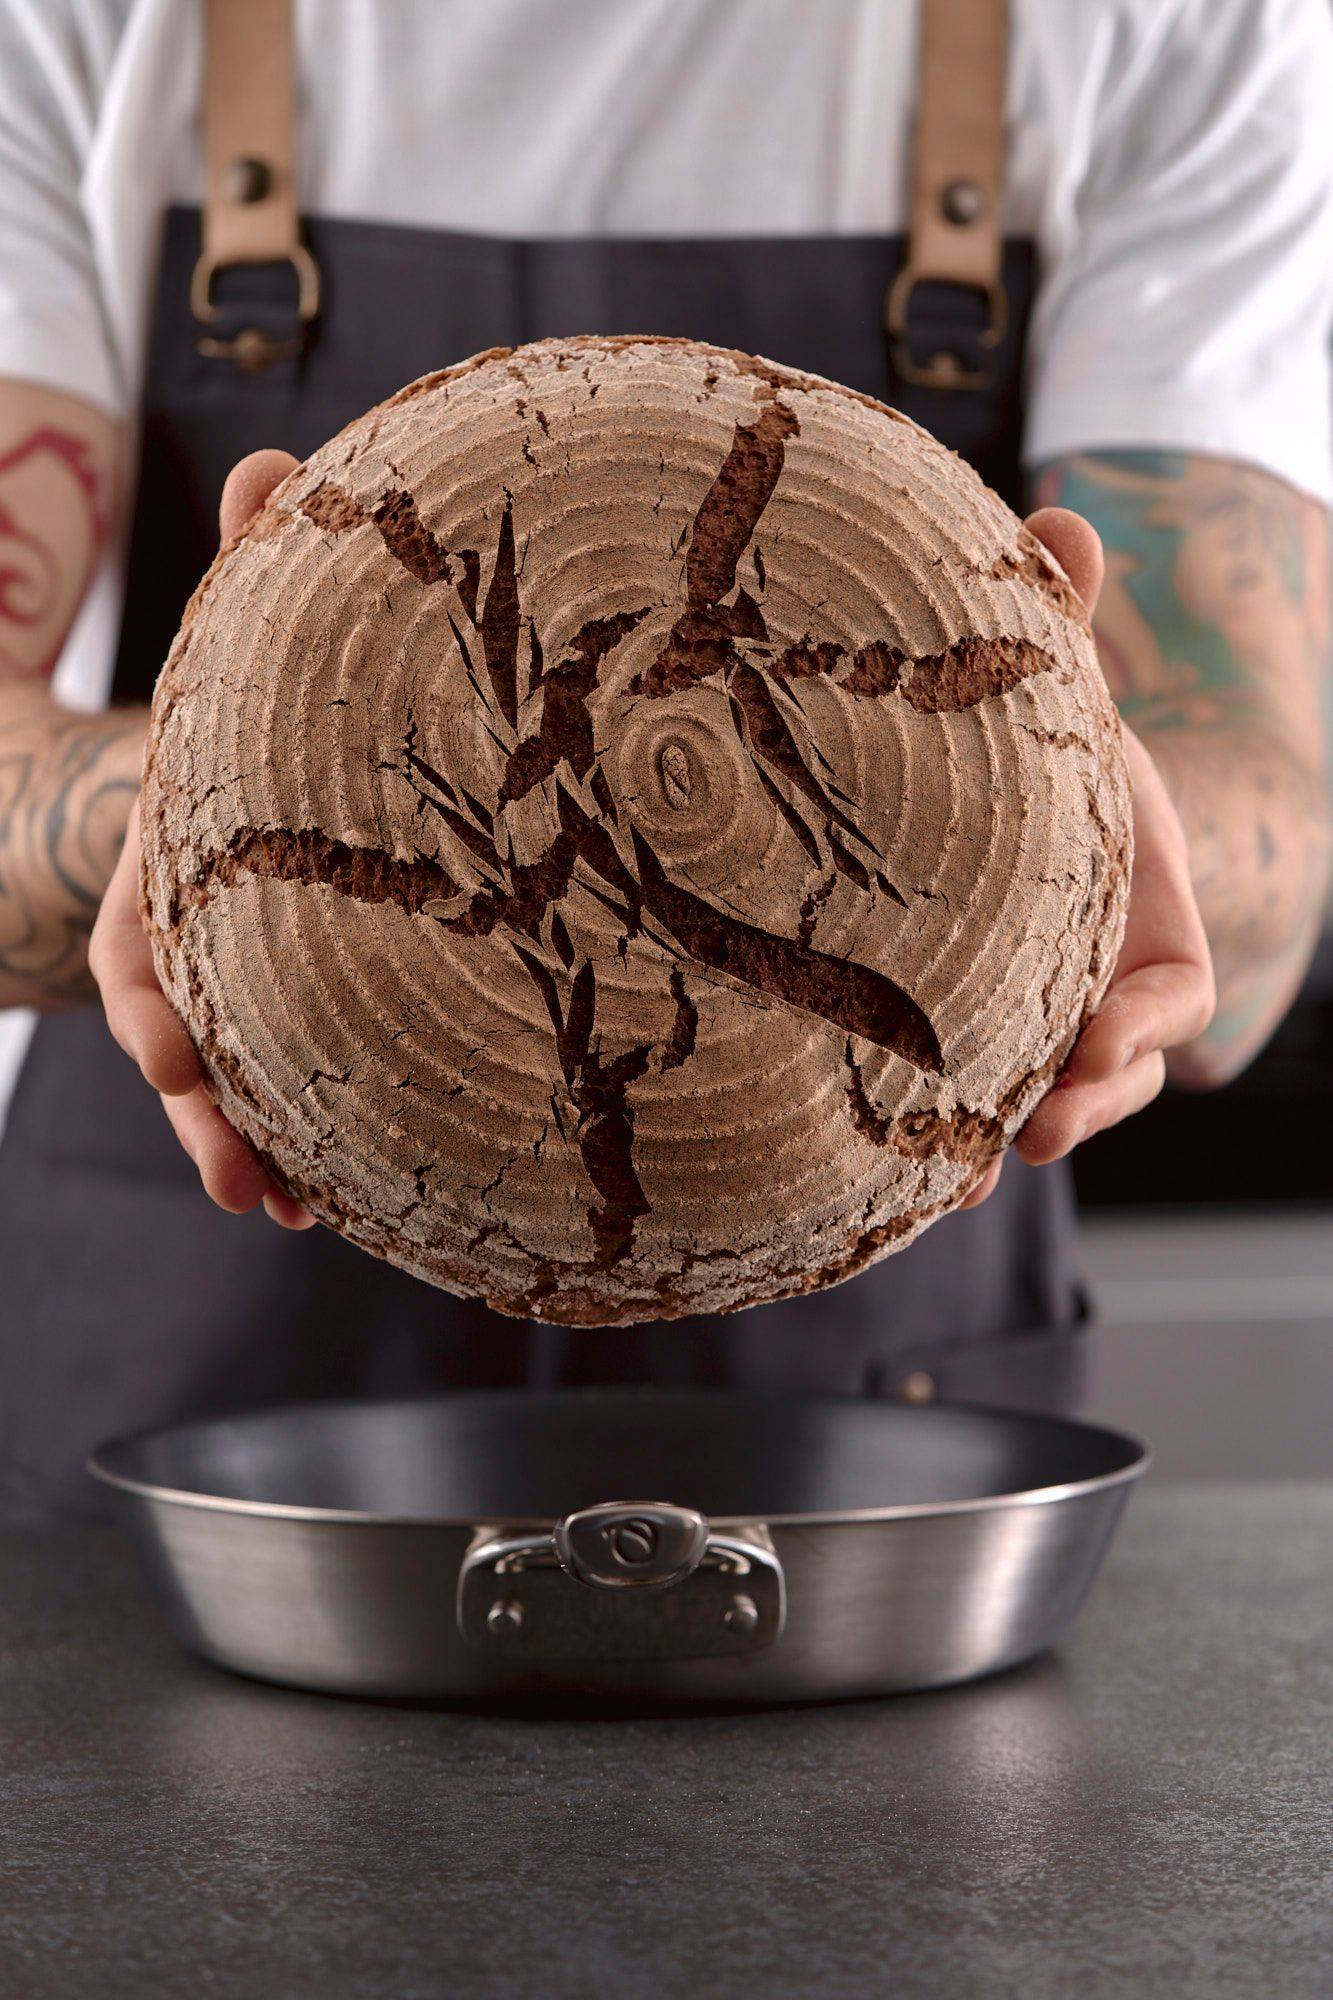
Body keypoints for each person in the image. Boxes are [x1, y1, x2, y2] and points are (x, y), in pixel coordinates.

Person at [0, 0, 1327, 1528]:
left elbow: (1266, 872)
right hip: (192, 1409)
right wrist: (211, 818)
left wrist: (1088, 821)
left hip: (862, 1438)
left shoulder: (1172, 19)